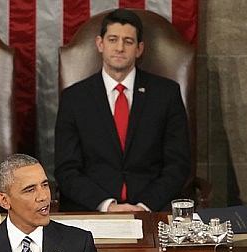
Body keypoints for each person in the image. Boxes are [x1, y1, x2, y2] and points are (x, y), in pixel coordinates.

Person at [54, 9, 191, 212]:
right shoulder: (74, 98)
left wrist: (144, 206)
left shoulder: (166, 94)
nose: (120, 47)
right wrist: (107, 206)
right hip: (93, 209)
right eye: (112, 39)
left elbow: (178, 165)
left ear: (139, 49)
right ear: (100, 44)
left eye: (128, 41)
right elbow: (66, 169)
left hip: (153, 209)